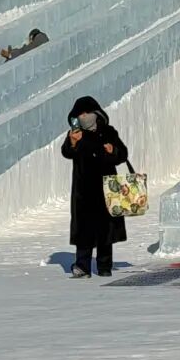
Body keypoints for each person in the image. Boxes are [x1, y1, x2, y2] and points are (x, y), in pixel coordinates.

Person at [60, 96, 129, 278]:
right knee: (84, 229)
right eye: (79, 114)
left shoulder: (108, 132)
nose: (84, 117)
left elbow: (122, 154)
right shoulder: (76, 133)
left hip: (107, 187)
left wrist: (112, 151)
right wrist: (73, 142)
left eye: (86, 113)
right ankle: (82, 266)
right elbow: (66, 152)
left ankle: (104, 266)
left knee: (106, 229)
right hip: (84, 189)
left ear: (95, 113)